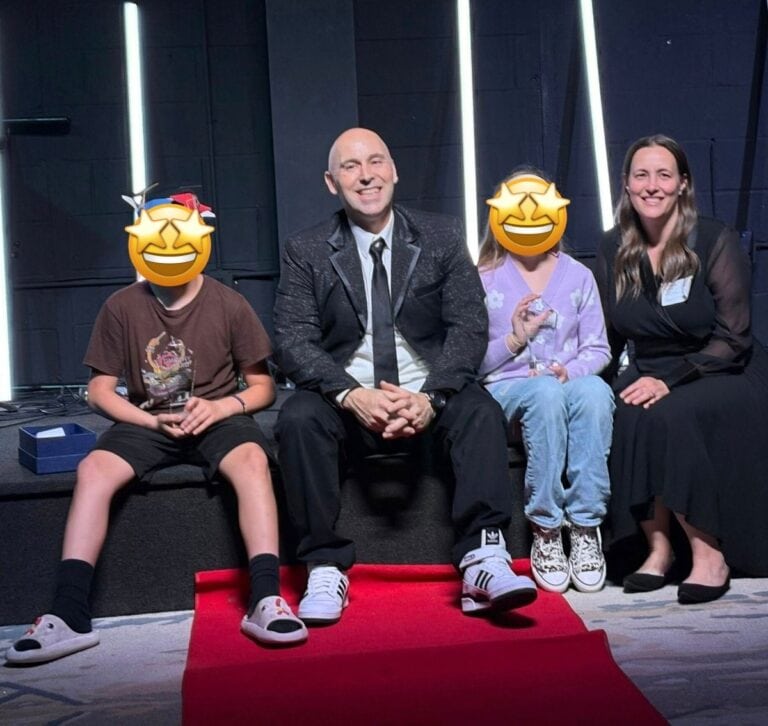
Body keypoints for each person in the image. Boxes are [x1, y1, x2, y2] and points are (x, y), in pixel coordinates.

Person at [5, 194, 307, 665]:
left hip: (216, 417)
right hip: (148, 419)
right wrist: (147, 418)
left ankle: (265, 599)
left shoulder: (230, 303)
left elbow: (263, 387)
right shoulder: (121, 306)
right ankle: (68, 615)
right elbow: (100, 391)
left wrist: (222, 406)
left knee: (252, 461)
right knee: (93, 471)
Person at [273, 127, 537, 624]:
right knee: (298, 418)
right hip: (347, 402)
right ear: (332, 182)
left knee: (479, 408)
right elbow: (293, 340)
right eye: (351, 167)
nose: (366, 175)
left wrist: (431, 398)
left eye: (376, 162)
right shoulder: (305, 249)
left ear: (393, 171)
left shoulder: (440, 236)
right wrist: (351, 395)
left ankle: (483, 557)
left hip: (427, 396)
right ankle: (324, 566)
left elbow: (468, 326)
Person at [596, 134, 768, 604]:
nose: (652, 186)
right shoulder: (612, 247)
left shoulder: (713, 239)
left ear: (682, 185)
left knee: (668, 412)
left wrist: (666, 381)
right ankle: (659, 549)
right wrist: (581, 374)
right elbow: (608, 337)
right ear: (627, 186)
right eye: (641, 175)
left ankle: (709, 553)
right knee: (624, 409)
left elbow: (734, 338)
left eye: (664, 175)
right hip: (651, 370)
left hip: (722, 370)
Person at [478, 169, 614, 594]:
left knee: (595, 391)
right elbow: (470, 362)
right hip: (509, 391)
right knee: (543, 392)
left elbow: (599, 350)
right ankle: (547, 527)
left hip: (564, 387)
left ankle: (586, 526)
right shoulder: (483, 277)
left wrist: (567, 371)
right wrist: (515, 338)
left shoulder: (578, 276)